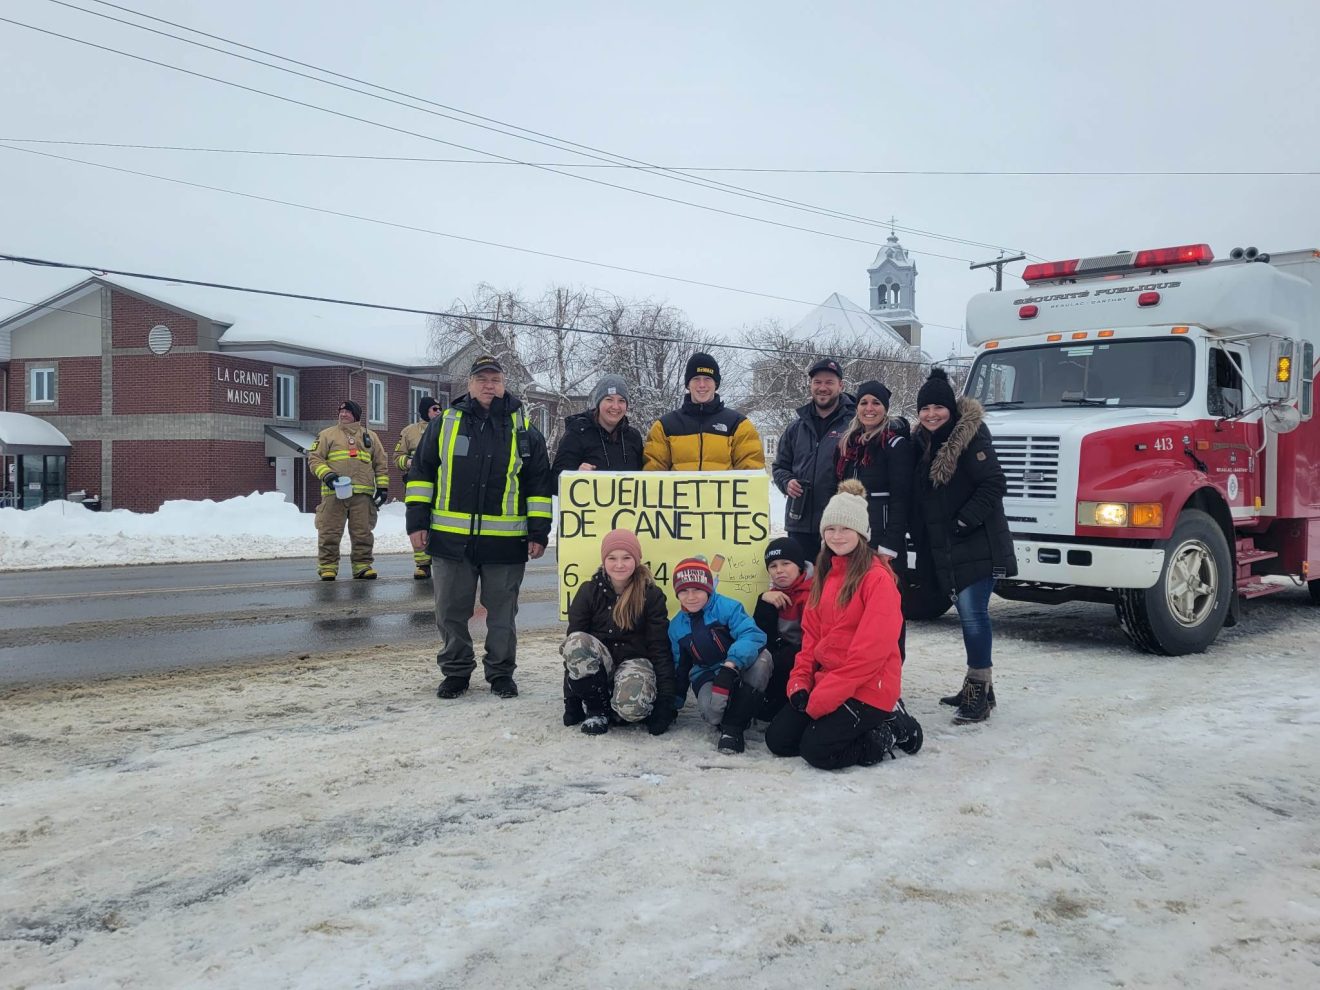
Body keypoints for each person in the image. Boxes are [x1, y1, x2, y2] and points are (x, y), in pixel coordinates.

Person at [405, 355, 553, 701]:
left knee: (502, 615)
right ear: (469, 384)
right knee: (450, 612)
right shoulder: (445, 424)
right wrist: (416, 521)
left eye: (495, 380)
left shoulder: (524, 430)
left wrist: (538, 531)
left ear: (504, 385)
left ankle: (501, 674)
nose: (489, 385)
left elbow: (538, 486)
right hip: (450, 541)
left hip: (505, 543)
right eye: (482, 379)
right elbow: (421, 474)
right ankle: (456, 673)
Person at [765, 480, 922, 769]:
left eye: (845, 529)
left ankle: (891, 727)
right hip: (830, 679)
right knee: (779, 740)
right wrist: (800, 680)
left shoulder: (877, 579)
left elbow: (868, 656)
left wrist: (824, 698)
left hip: (869, 685)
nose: (837, 536)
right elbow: (811, 638)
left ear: (861, 533)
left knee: (817, 751)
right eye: (831, 529)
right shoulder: (825, 574)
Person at [911, 367, 1017, 725]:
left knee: (973, 617)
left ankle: (977, 695)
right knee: (968, 616)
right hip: (952, 547)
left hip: (977, 543)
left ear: (951, 409)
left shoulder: (970, 438)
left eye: (938, 408)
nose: (931, 415)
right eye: (925, 409)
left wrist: (963, 521)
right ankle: (980, 686)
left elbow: (994, 483)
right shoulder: (923, 442)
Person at [561, 528, 676, 736]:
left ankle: (619, 702)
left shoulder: (651, 595)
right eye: (612, 558)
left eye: (626, 557)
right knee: (575, 641)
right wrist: (571, 701)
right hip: (600, 666)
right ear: (604, 561)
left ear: (637, 560)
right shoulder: (588, 591)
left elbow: (660, 648)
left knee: (631, 710)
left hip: (634, 662)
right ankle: (597, 710)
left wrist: (665, 701)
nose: (619, 564)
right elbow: (573, 650)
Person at [833, 379, 915, 658]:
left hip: (882, 541)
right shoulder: (848, 444)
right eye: (864, 402)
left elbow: (902, 498)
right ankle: (857, 668)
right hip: (852, 540)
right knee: (852, 606)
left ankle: (891, 668)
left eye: (876, 403)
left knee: (887, 609)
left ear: (886, 408)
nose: (869, 408)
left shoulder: (895, 444)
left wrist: (890, 544)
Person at [667, 555, 769, 754]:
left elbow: (752, 635)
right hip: (707, 673)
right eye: (684, 591)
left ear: (708, 588)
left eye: (697, 589)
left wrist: (730, 666)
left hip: (738, 666)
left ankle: (734, 728)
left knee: (763, 661)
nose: (691, 597)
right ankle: (737, 708)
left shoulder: (728, 607)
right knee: (713, 715)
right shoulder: (676, 626)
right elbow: (680, 666)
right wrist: (673, 703)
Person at [772, 358, 854, 560]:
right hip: (799, 524)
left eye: (829, 382)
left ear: (841, 386)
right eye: (817, 382)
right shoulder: (796, 428)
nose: (822, 388)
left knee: (837, 578)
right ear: (810, 385)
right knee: (804, 577)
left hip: (839, 526)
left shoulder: (853, 426)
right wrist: (787, 482)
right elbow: (780, 467)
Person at [307, 399, 390, 581]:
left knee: (363, 533)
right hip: (334, 494)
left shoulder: (371, 437)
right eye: (341, 411)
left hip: (362, 496)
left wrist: (382, 487)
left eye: (348, 412)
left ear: (356, 415)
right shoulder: (327, 435)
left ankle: (362, 566)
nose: (343, 414)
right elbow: (314, 459)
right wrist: (327, 475)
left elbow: (380, 463)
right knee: (329, 531)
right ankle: (328, 567)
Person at [642, 353, 764, 471]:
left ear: (716, 384)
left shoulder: (738, 425)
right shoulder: (664, 426)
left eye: (707, 379)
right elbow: (653, 473)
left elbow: (751, 472)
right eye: (696, 379)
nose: (702, 384)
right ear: (688, 384)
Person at [752, 536, 813, 721]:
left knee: (785, 658)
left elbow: (814, 639)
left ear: (799, 565)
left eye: (786, 563)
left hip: (809, 656)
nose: (779, 570)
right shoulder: (774, 594)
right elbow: (759, 635)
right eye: (773, 566)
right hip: (783, 653)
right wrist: (763, 598)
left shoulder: (815, 591)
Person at [550, 374, 644, 483]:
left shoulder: (633, 437)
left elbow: (644, 481)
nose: (615, 406)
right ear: (599, 403)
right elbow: (555, 480)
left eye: (621, 401)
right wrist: (575, 475)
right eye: (609, 399)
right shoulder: (577, 433)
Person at [394, 394, 443, 579]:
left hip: (442, 485)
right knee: (419, 522)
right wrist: (409, 463)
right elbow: (397, 458)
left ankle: (441, 562)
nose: (438, 412)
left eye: (440, 409)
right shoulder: (409, 432)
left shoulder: (447, 427)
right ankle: (422, 564)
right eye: (434, 409)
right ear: (424, 411)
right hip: (418, 485)